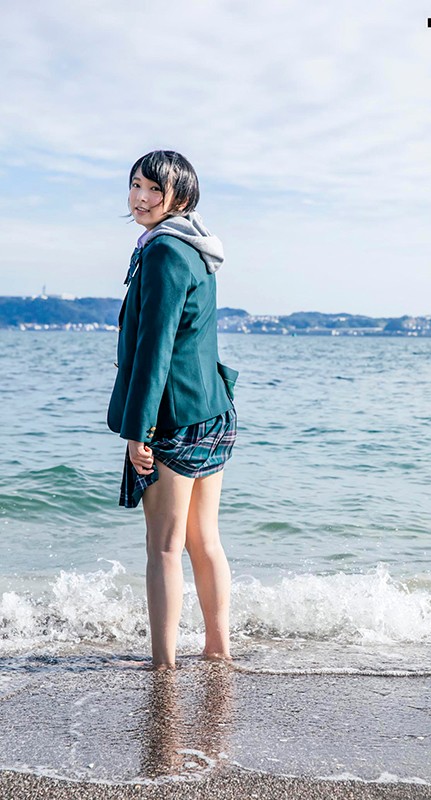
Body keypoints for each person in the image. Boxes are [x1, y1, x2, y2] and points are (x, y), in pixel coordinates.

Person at [107, 150, 239, 670]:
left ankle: (163, 665)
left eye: (153, 190)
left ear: (179, 197)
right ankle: (217, 650)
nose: (140, 198)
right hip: (212, 410)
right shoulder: (196, 246)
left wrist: (138, 429)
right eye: (136, 185)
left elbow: (155, 348)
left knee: (164, 546)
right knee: (204, 541)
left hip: (174, 417)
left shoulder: (164, 251)